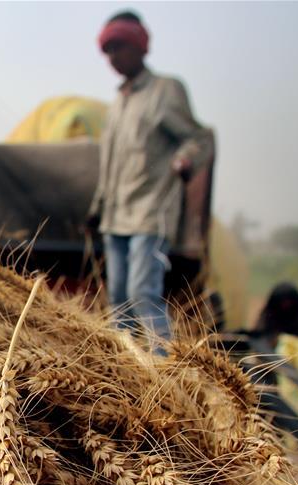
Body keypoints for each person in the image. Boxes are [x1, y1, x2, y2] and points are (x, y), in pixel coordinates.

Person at [87, 10, 214, 349]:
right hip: (116, 216)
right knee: (118, 299)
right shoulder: (117, 104)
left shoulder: (164, 91)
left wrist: (184, 160)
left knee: (142, 293)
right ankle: (125, 369)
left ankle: (163, 368)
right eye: (108, 49)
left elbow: (200, 138)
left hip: (149, 211)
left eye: (120, 46)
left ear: (140, 47)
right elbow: (110, 164)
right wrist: (98, 206)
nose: (113, 57)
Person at [252, 282, 298, 347]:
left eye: (289, 301)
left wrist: (291, 341)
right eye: (282, 301)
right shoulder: (269, 312)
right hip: (271, 352)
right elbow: (260, 333)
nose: (285, 304)